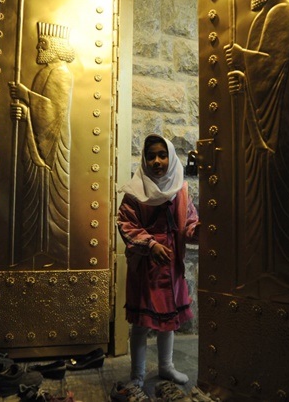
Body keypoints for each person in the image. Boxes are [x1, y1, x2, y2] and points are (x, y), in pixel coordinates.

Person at [223, 0, 289, 303]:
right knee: (257, 194)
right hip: (259, 119)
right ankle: (260, 268)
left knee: (275, 192)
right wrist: (243, 74)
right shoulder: (264, 15)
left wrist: (243, 58)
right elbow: (262, 65)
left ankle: (280, 271)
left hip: (276, 123)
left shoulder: (283, 11)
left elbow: (273, 67)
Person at [116, 134, 199, 388]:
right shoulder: (135, 192)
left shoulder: (181, 190)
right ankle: (137, 376)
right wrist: (151, 245)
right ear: (144, 159)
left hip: (171, 266)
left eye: (162, 155)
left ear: (170, 157)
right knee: (141, 324)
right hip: (145, 267)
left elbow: (189, 222)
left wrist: (199, 230)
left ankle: (166, 367)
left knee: (168, 322)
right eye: (151, 156)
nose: (156, 161)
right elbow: (126, 224)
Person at [9, 22, 75, 269]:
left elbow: (53, 112)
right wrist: (25, 112)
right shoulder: (43, 73)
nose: (38, 48)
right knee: (34, 196)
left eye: (43, 45)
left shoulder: (61, 73)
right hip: (36, 142)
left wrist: (25, 95)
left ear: (56, 47)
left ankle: (52, 254)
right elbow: (38, 110)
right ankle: (32, 251)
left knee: (50, 198)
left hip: (52, 146)